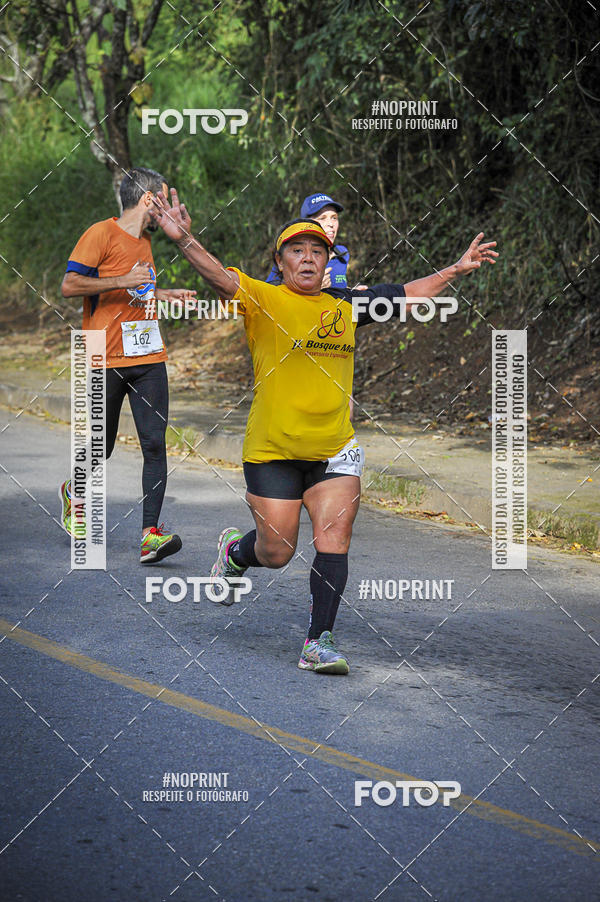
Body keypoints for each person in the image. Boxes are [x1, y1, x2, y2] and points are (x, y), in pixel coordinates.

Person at [152, 187, 498, 672]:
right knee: (277, 551)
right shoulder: (263, 297)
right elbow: (217, 278)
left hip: (334, 450)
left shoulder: (348, 306)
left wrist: (455, 270)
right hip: (272, 451)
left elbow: (407, 294)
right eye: (298, 250)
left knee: (335, 537)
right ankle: (235, 553)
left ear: (329, 260)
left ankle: (319, 641)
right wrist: (185, 240)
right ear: (282, 260)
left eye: (318, 251)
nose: (309, 258)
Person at [59, 167, 196, 564]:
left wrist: (161, 292)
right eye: (162, 200)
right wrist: (122, 279)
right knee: (101, 447)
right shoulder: (100, 233)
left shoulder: (146, 242)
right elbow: (70, 286)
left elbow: (135, 288)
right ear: (148, 200)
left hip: (149, 357)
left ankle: (150, 535)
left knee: (154, 444)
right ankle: (74, 492)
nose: (164, 210)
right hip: (103, 356)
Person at [266, 192, 350, 290]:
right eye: (322, 218)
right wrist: (307, 288)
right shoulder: (292, 256)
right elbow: (270, 292)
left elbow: (340, 287)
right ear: (307, 223)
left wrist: (352, 292)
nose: (331, 224)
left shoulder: (342, 253)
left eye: (334, 218)